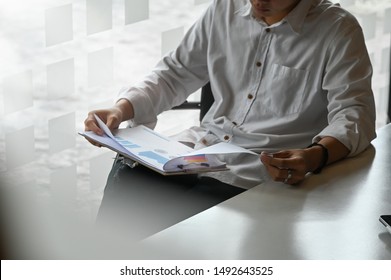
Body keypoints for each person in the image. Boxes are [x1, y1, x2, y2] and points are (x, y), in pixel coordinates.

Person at [84, 0, 376, 240]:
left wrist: (315, 156)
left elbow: (354, 114)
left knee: (182, 235)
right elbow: (175, 73)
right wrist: (122, 109)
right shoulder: (224, 9)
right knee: (129, 178)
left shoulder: (338, 29)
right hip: (195, 151)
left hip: (257, 171)